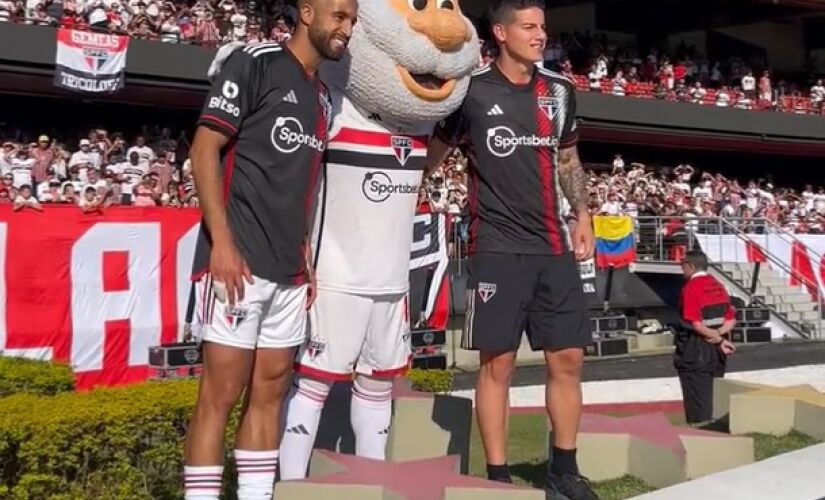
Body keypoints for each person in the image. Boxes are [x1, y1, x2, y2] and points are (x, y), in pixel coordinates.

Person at [276, 0, 480, 481]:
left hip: (391, 282)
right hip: (336, 278)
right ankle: (288, 486)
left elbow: (424, 165)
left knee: (378, 389)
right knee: (312, 387)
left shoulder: (422, 124)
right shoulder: (335, 107)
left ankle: (370, 484)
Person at [181, 0, 356, 498]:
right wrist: (222, 244)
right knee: (219, 395)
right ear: (307, 13)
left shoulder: (324, 98)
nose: (346, 28)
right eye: (338, 17)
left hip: (289, 275)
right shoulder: (254, 62)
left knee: (271, 392)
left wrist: (304, 256)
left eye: (353, 21)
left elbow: (300, 185)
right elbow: (203, 149)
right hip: (238, 265)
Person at [427, 0, 598, 498]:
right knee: (497, 364)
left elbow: (568, 158)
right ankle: (498, 478)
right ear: (500, 33)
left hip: (554, 248)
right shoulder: (471, 93)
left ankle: (564, 472)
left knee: (567, 359)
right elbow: (433, 155)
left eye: (542, 26)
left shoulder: (559, 92)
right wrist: (410, 184)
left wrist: (582, 214)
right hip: (497, 249)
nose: (540, 34)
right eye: (528, 26)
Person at [675, 250, 736, 427]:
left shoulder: (691, 288)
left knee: (697, 398)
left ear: (691, 266)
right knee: (714, 394)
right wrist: (721, 338)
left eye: (683, 266)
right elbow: (731, 319)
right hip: (717, 352)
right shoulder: (718, 284)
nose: (682, 270)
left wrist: (715, 338)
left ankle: (700, 431)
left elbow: (696, 324)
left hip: (695, 349)